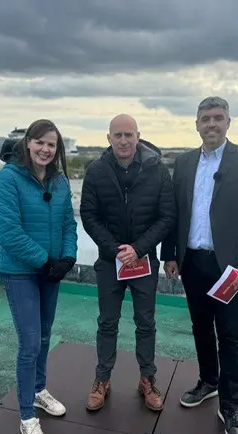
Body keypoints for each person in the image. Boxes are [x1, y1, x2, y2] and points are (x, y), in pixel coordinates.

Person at [160, 96, 238, 434]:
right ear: (196, 124)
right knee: (200, 328)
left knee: (230, 335)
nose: (211, 124)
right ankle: (208, 381)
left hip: (229, 268)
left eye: (218, 118)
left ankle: (230, 405)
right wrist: (171, 254)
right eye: (205, 118)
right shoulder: (186, 161)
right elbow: (175, 212)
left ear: (228, 122)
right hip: (193, 261)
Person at [0, 119, 78, 434]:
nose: (45, 149)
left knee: (44, 334)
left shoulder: (60, 182)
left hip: (50, 272)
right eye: (39, 142)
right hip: (21, 272)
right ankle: (27, 416)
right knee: (29, 343)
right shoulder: (9, 179)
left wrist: (67, 258)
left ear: (57, 150)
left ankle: (39, 389)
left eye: (52, 144)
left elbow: (69, 224)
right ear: (27, 143)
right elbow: (10, 232)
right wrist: (45, 261)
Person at [80, 114, 176, 412]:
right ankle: (102, 379)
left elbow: (167, 216)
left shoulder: (157, 170)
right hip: (110, 263)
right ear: (108, 138)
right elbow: (89, 215)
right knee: (107, 323)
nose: (123, 140)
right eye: (117, 135)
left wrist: (139, 248)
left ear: (138, 136)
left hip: (144, 262)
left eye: (128, 135)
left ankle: (147, 379)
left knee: (145, 323)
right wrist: (115, 249)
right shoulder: (96, 170)